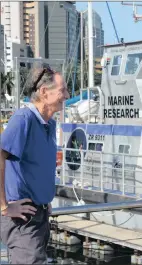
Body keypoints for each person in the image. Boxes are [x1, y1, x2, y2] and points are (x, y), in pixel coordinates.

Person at [0, 65, 70, 264]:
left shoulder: (50, 123)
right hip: (23, 220)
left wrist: (43, 199)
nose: (67, 94)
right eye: (62, 89)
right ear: (44, 92)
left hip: (38, 214)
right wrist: (4, 206)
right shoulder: (24, 119)